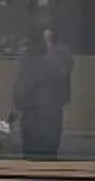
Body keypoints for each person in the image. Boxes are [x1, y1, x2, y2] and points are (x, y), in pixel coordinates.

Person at [12, 23, 74, 160]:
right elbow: (22, 86)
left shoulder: (56, 54)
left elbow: (60, 73)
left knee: (44, 155)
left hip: (46, 112)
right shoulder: (33, 56)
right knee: (37, 155)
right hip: (38, 112)